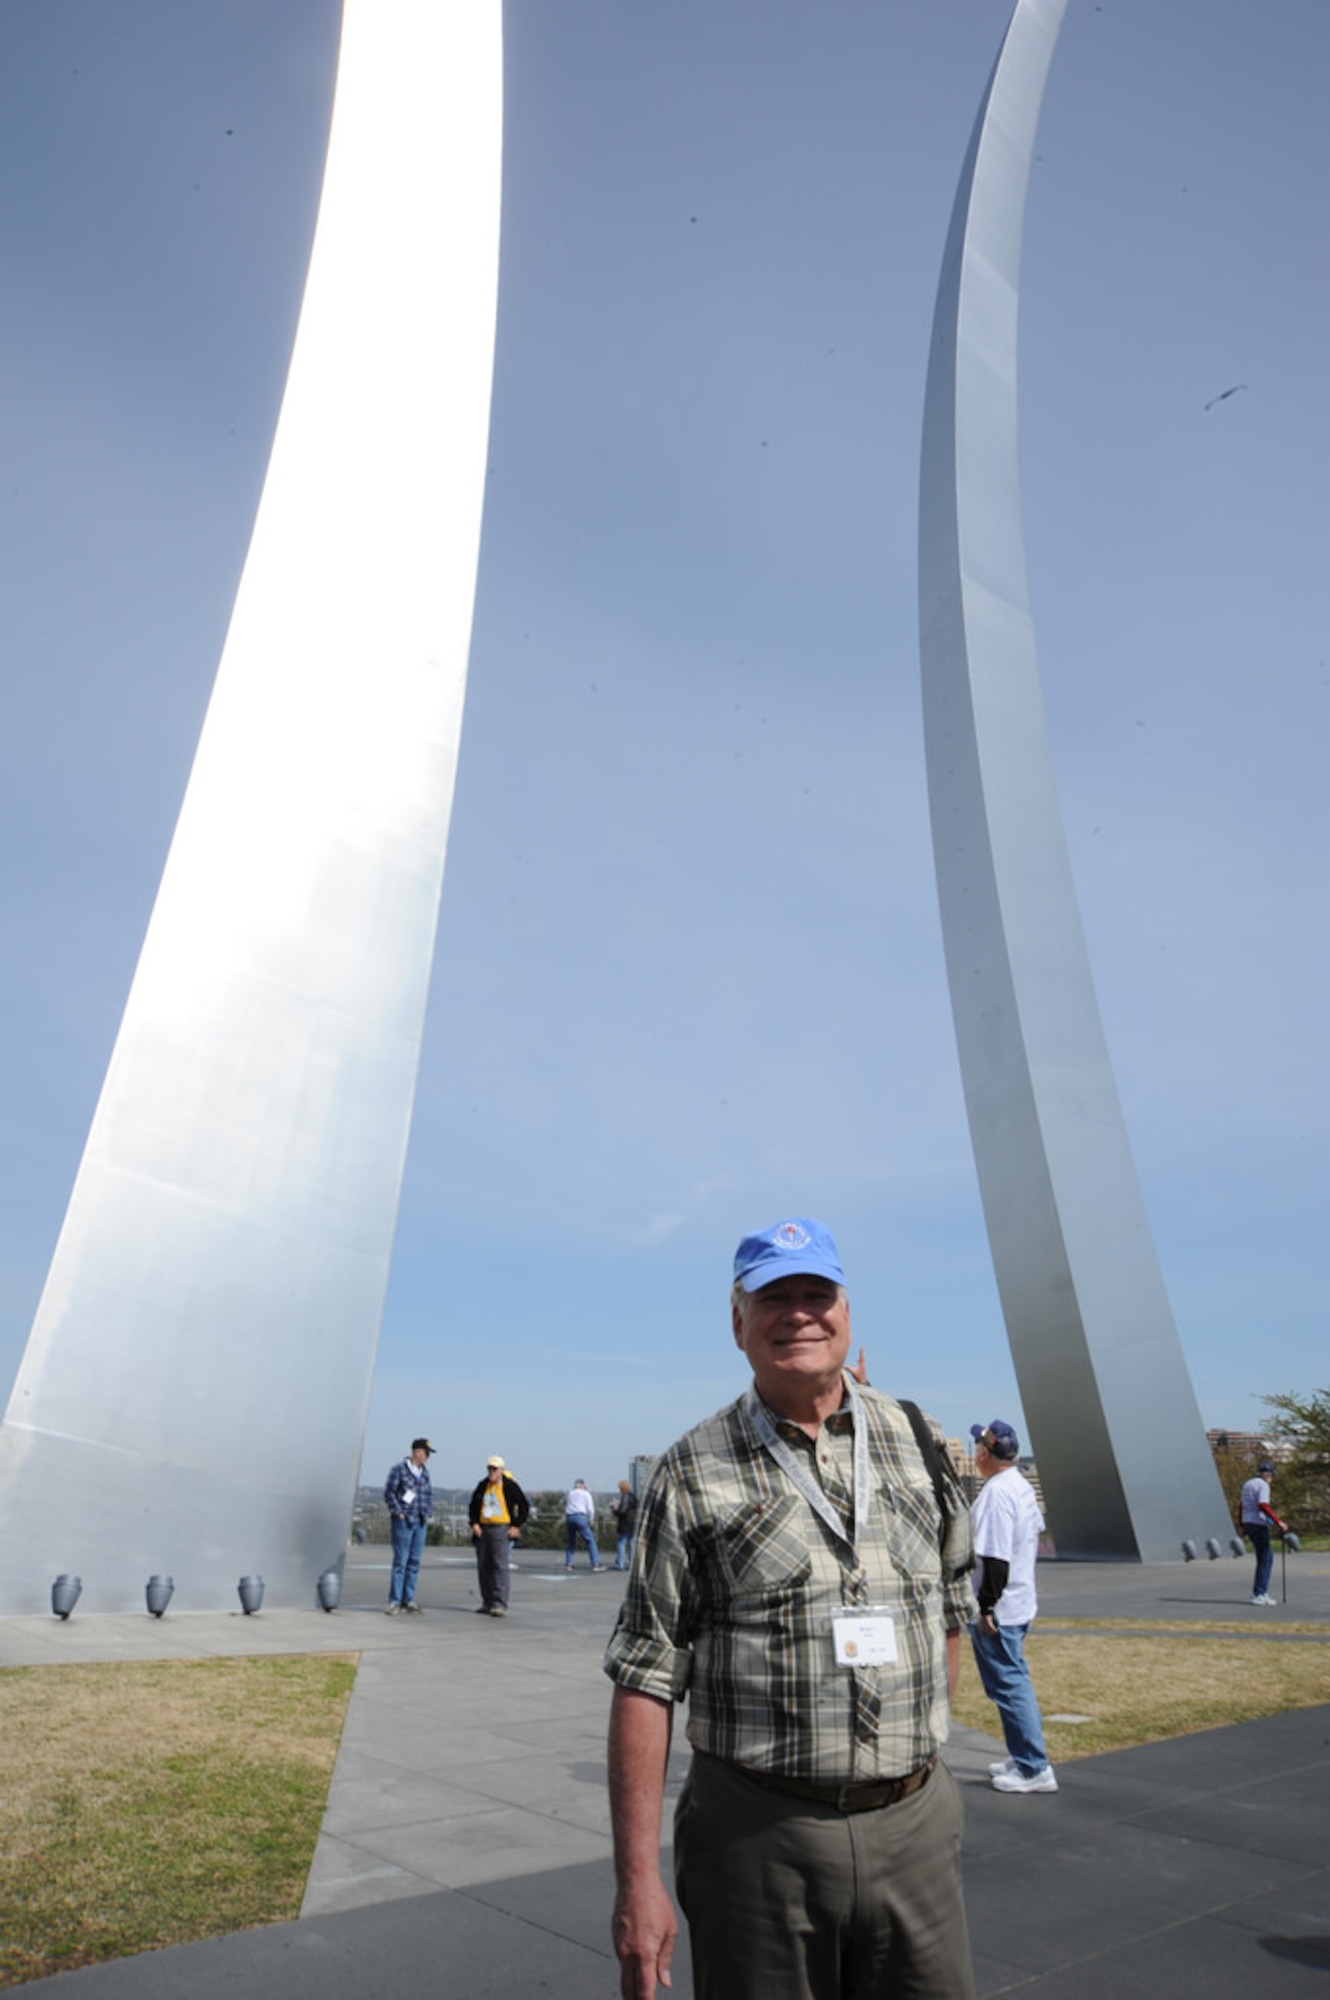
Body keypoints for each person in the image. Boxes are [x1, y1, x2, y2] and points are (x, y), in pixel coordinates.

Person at [605, 1217, 976, 2000]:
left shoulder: (921, 1441)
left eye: (817, 1293)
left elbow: (949, 1608)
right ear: (737, 1321)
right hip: (756, 1837)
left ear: (847, 1312)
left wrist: (922, 1757)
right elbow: (645, 1676)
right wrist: (638, 1883)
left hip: (913, 1824)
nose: (799, 1312)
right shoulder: (691, 1470)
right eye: (774, 1296)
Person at [967, 1419, 1057, 1795]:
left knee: (1009, 1684)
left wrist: (986, 1607)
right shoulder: (1020, 1486)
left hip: (1000, 1607)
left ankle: (1034, 1767)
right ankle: (1022, 1755)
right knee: (1013, 1681)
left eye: (978, 1447)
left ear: (985, 1453)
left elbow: (995, 1557)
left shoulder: (996, 1493)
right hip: (1019, 1600)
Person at [468, 1454, 531, 1616]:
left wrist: (516, 1525)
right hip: (484, 1528)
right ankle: (487, 1601)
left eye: (494, 1469)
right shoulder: (483, 1485)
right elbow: (473, 1506)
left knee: (499, 1566)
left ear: (501, 1470)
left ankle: (499, 1602)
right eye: (489, 1468)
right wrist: (474, 1523)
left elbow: (524, 1506)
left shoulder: (510, 1486)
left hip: (501, 1528)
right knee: (484, 1566)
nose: (491, 1472)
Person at [383, 1437, 434, 1615]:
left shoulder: (425, 1473)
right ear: (417, 1452)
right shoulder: (399, 1470)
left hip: (420, 1521)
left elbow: (428, 1494)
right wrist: (398, 1512)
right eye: (426, 1453)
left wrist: (428, 1511)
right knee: (400, 1562)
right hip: (404, 1521)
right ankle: (394, 1601)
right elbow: (389, 1492)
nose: (427, 1457)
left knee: (415, 1562)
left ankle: (408, 1599)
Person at [1239, 1460, 1288, 1605]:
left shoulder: (1247, 1484)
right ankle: (1260, 1593)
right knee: (1266, 1557)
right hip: (1258, 1523)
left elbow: (1241, 1506)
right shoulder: (1263, 1485)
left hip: (1248, 1521)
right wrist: (1279, 1521)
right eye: (1271, 1475)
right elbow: (1263, 1504)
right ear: (1267, 1474)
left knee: (1264, 1556)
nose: (1272, 1478)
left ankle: (1260, 1591)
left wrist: (1241, 1525)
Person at [565, 1479, 603, 1571]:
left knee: (571, 1541)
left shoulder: (570, 1493)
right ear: (583, 1485)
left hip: (570, 1516)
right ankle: (595, 1563)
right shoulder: (586, 1494)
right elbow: (590, 1508)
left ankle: (569, 1563)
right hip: (580, 1516)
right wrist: (591, 1519)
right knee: (590, 1540)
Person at [611, 1480, 639, 1571]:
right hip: (633, 1523)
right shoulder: (633, 1497)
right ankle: (632, 1564)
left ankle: (620, 1563)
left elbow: (623, 1511)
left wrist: (615, 1510)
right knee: (631, 1543)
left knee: (621, 1543)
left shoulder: (625, 1497)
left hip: (625, 1523)